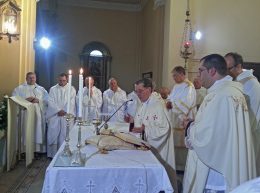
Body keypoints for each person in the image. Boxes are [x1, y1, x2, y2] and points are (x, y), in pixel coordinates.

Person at [183, 54, 256, 193]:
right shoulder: (231, 92)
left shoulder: (220, 96)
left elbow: (208, 138)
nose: (198, 75)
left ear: (212, 71)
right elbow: (219, 128)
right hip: (229, 162)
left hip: (216, 170)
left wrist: (189, 127)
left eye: (200, 70)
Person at [132, 78, 177, 191]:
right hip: (144, 146)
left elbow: (164, 129)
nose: (138, 94)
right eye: (136, 91)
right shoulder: (145, 103)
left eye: (140, 91)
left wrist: (145, 129)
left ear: (149, 89)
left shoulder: (157, 104)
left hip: (159, 151)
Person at [225, 52, 260, 176]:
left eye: (229, 68)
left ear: (239, 66)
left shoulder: (252, 84)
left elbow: (253, 114)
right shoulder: (234, 81)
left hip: (247, 134)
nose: (226, 72)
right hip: (233, 132)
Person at [166, 66, 197, 170]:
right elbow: (170, 98)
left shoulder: (189, 86)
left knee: (183, 143)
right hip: (175, 117)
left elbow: (187, 102)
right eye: (173, 76)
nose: (173, 78)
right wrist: (168, 102)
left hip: (184, 117)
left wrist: (172, 105)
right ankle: (175, 164)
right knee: (174, 142)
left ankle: (183, 167)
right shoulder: (176, 86)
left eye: (175, 75)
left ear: (182, 74)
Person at [12, 72, 48, 153]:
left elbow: (47, 101)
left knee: (36, 132)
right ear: (26, 78)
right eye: (30, 78)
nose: (32, 79)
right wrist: (25, 101)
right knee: (26, 132)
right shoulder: (19, 89)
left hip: (37, 115)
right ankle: (24, 151)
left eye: (33, 77)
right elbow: (14, 100)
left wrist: (38, 100)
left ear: (36, 78)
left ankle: (37, 151)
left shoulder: (41, 89)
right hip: (25, 115)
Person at [46, 73, 76, 158]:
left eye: (64, 80)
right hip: (55, 115)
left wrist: (65, 111)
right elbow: (50, 101)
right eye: (60, 80)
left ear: (67, 80)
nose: (62, 82)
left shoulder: (72, 89)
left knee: (65, 135)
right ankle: (53, 155)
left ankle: (65, 153)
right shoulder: (53, 89)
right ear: (58, 79)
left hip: (66, 115)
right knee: (54, 134)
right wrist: (58, 110)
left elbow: (72, 102)